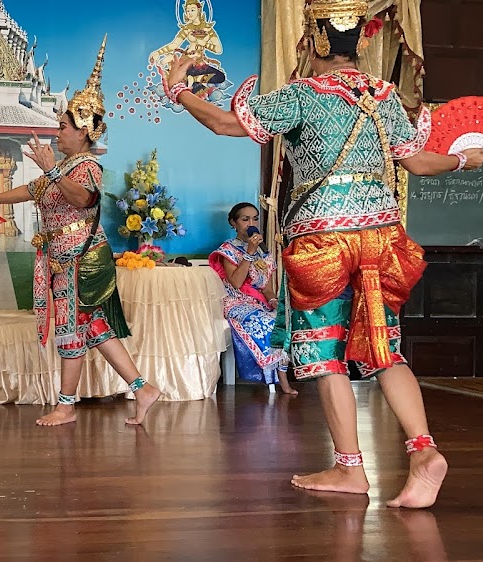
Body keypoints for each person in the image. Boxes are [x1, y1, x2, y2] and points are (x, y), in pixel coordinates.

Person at [165, 0, 483, 508]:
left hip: (322, 241)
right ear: (359, 41)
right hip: (381, 237)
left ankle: (350, 470)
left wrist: (179, 91)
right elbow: (420, 163)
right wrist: (467, 156)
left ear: (314, 42)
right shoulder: (383, 96)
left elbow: (228, 125)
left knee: (324, 352)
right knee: (386, 348)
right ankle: (424, 450)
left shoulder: (300, 95)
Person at [0, 37, 161, 427]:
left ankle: (66, 405)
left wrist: (51, 169)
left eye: (62, 126)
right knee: (92, 327)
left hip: (81, 259)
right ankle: (142, 389)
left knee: (72, 328)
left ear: (84, 131)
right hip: (64, 259)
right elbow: (24, 192)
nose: (57, 133)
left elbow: (85, 201)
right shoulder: (61, 169)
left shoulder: (85, 166)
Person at [209, 203, 296, 395]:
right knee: (265, 322)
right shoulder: (228, 249)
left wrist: (274, 302)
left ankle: (282, 376)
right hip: (236, 303)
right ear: (233, 223)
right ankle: (270, 379)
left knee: (283, 320)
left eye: (255, 218)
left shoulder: (263, 252)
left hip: (260, 303)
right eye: (245, 219)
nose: (251, 223)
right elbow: (237, 283)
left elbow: (267, 288)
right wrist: (248, 252)